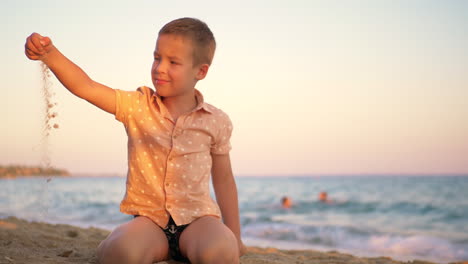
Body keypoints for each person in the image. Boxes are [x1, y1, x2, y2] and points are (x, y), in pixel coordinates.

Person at [25, 17, 246, 264]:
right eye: (157, 57)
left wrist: (235, 236)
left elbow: (224, 179)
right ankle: (113, 243)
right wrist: (49, 54)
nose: (160, 68)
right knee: (121, 252)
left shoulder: (216, 121)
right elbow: (86, 87)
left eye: (173, 62)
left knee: (222, 250)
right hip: (149, 224)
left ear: (200, 71)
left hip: (197, 222)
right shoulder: (137, 106)